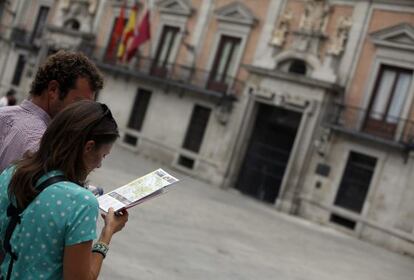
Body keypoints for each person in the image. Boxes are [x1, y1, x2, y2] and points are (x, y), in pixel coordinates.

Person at [0, 100, 128, 279]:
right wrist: (107, 234)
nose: (99, 164)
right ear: (89, 147)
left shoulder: (12, 173)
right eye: (103, 156)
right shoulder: (81, 203)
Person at [0, 50, 104, 172]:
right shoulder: (44, 145)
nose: (83, 113)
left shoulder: (3, 114)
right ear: (53, 90)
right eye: (79, 103)